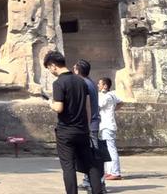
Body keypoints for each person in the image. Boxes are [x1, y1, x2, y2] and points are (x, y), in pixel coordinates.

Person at [45, 51, 102, 194]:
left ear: (53, 66)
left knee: (68, 166)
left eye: (48, 68)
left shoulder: (59, 83)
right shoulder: (81, 81)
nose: (50, 71)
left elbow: (59, 108)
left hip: (66, 131)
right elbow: (88, 106)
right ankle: (97, 191)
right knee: (90, 164)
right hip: (83, 129)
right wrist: (87, 126)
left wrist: (49, 103)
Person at [73, 60, 105, 192]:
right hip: (92, 123)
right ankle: (89, 181)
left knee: (93, 156)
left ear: (78, 70)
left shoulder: (84, 84)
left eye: (74, 69)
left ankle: (99, 183)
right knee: (89, 154)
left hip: (90, 124)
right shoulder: (90, 82)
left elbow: (86, 107)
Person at [98, 77, 123, 180]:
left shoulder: (107, 96)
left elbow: (98, 105)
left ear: (105, 86)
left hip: (107, 125)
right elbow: (121, 102)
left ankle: (115, 172)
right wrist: (112, 110)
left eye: (100, 83)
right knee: (107, 149)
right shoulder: (112, 94)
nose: (98, 85)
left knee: (111, 149)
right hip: (107, 125)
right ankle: (109, 171)